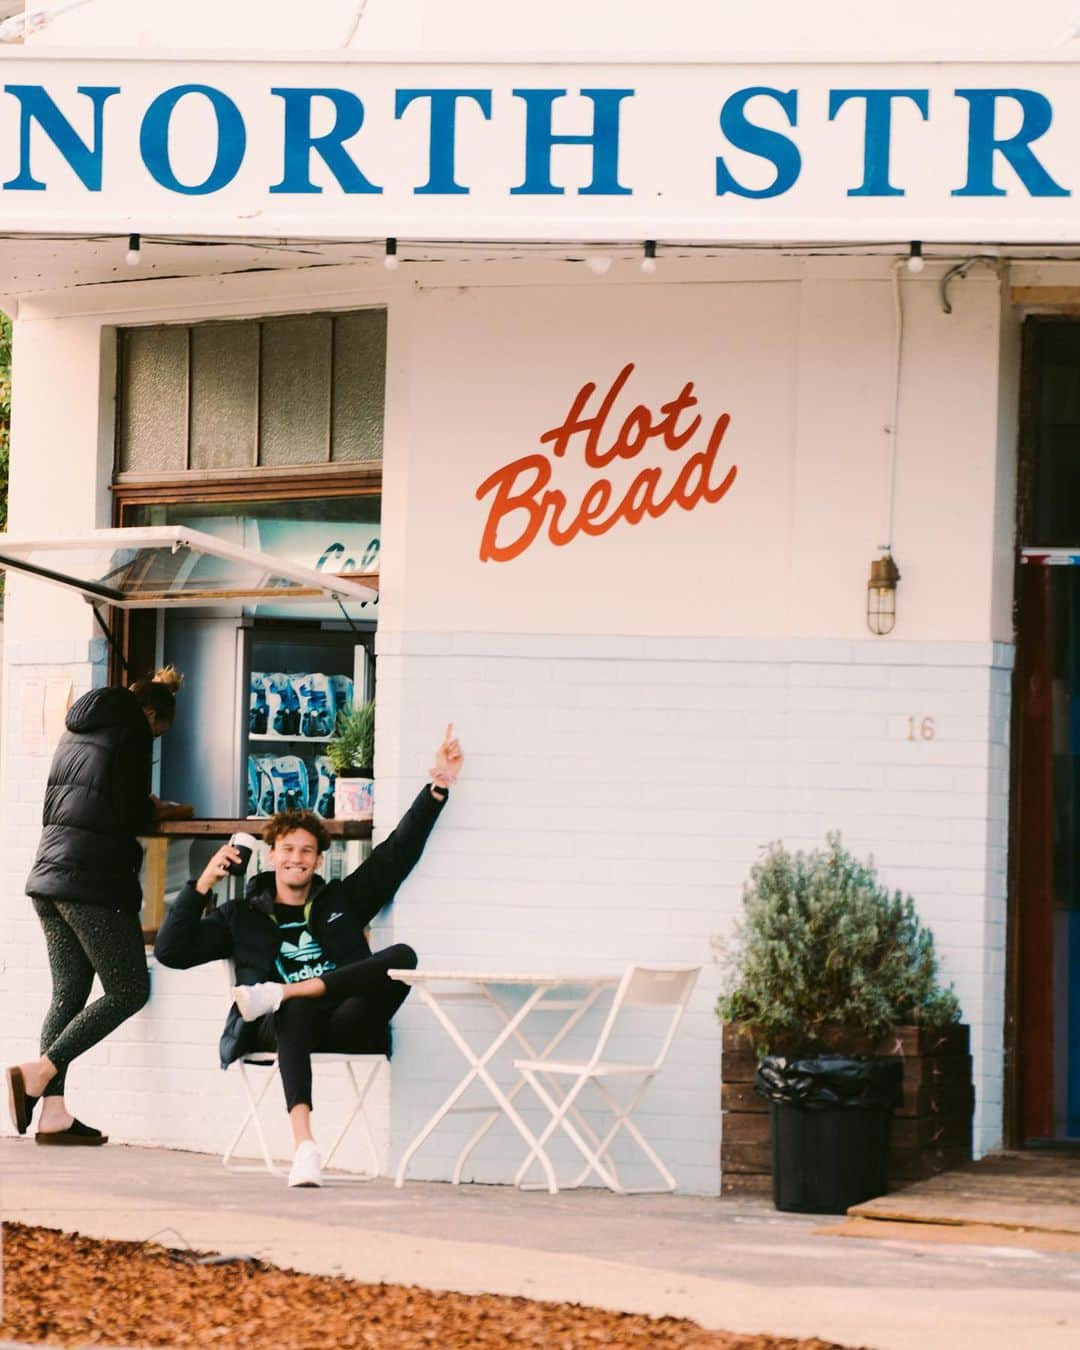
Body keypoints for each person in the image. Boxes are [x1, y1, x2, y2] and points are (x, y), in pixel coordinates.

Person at [153, 724, 463, 1188]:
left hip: (346, 1021)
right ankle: (305, 1147)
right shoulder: (240, 915)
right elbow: (172, 953)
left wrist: (437, 787)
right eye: (288, 849)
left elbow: (396, 854)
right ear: (272, 856)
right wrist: (202, 886)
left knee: (402, 955)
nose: (297, 858)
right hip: (281, 1027)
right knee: (292, 1008)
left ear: (319, 860)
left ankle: (283, 991)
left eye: (307, 851)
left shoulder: (342, 901)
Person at [7, 666, 190, 1145]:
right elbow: (129, 810)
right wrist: (162, 809)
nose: (154, 737)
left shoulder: (78, 726)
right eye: (158, 730)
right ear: (151, 713)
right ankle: (39, 1071)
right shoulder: (131, 728)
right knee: (129, 989)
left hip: (49, 875)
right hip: (94, 881)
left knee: (68, 993)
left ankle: (54, 1115)